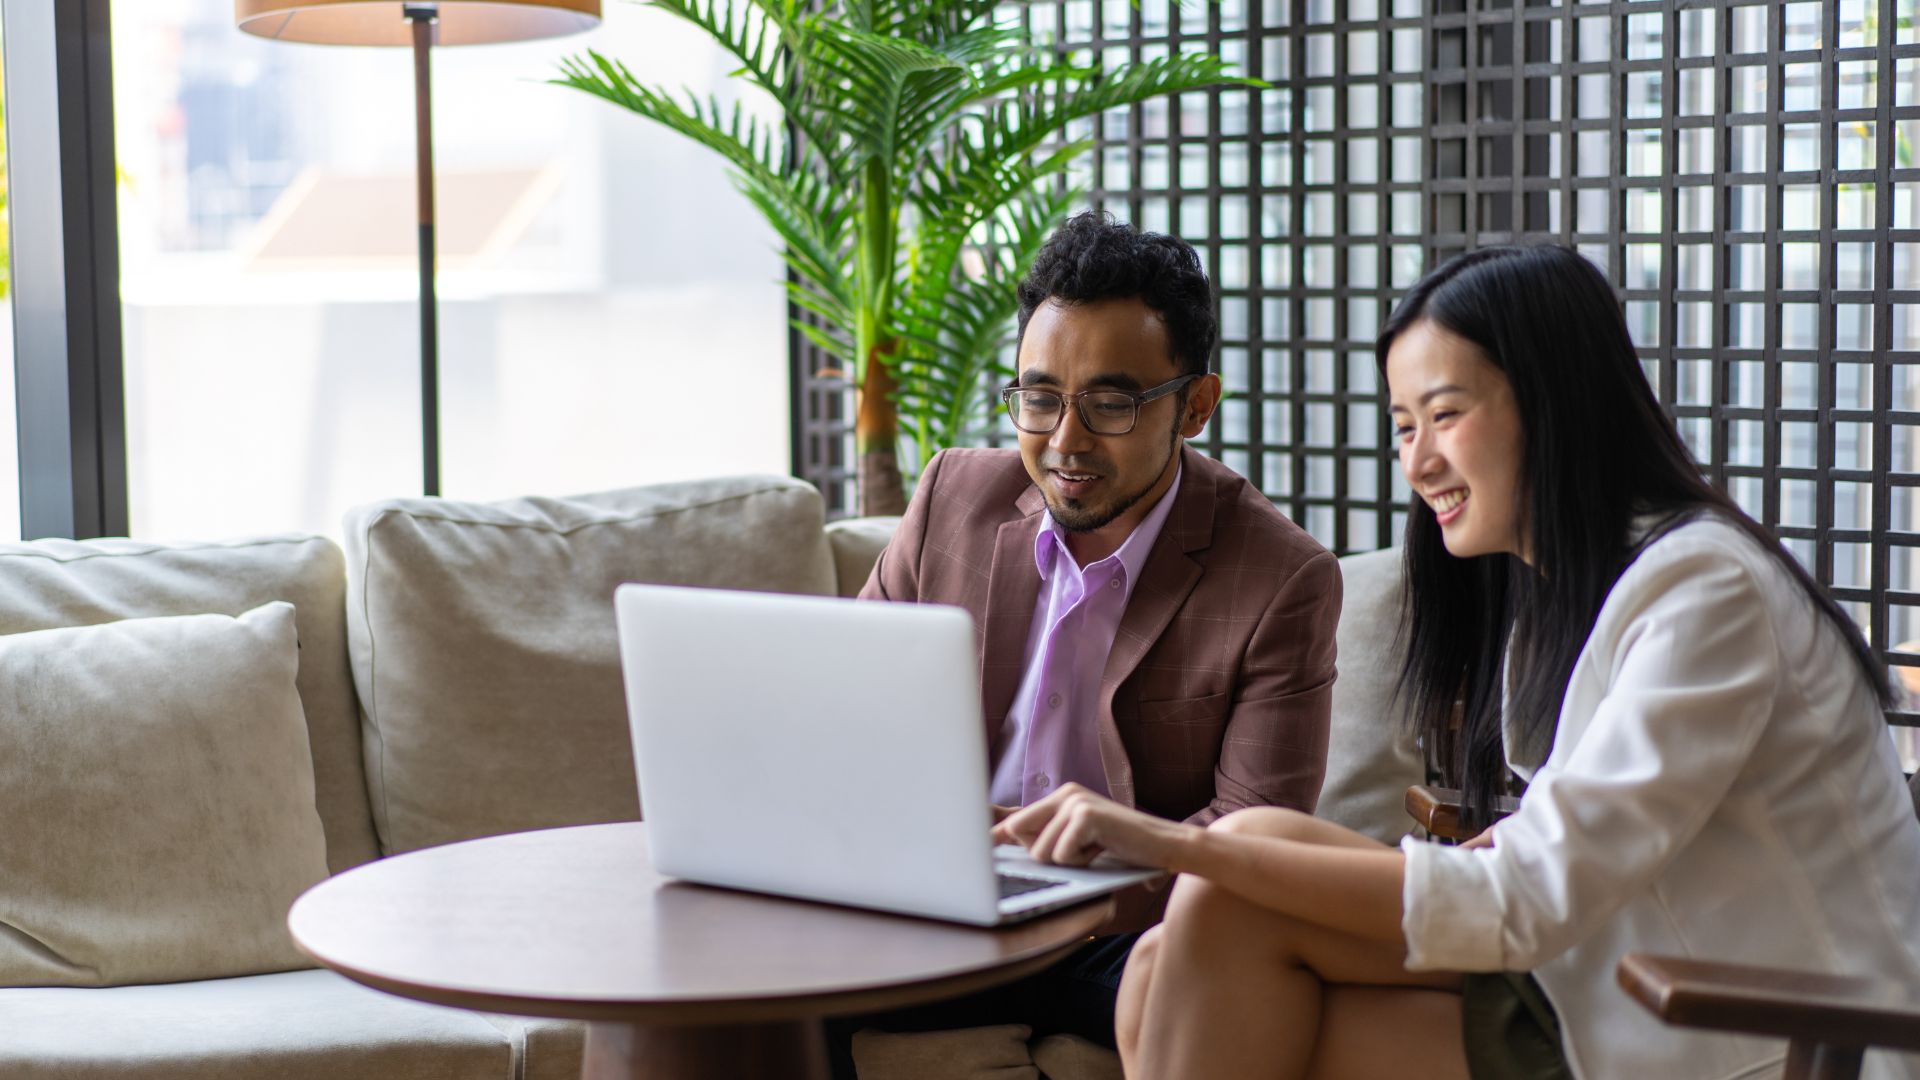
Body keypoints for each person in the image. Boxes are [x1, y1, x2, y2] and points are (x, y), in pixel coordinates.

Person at [996, 244, 1920, 1079]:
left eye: (1444, 414)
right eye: (1403, 426)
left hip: (1759, 1034)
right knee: (1174, 948)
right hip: (1599, 984)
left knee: (1220, 889)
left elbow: (1533, 894)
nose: (1418, 460)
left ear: (1556, 403)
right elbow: (1551, 846)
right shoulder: (1572, 589)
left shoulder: (1709, 591)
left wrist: (1167, 842)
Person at [842, 211, 1341, 1069]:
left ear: (1195, 407)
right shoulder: (952, 500)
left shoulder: (1280, 578)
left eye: (1110, 403)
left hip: (1117, 932)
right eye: (1039, 398)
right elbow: (841, 710)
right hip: (933, 911)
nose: (1065, 441)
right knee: (720, 986)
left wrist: (1031, 865)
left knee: (1245, 986)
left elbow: (1253, 839)